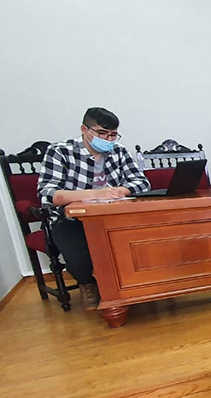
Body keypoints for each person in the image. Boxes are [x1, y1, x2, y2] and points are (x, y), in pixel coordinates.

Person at [37, 107, 151, 310]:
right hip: (72, 220)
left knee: (141, 239)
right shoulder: (60, 151)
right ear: (84, 129)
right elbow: (48, 194)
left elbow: (142, 183)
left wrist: (120, 190)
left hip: (113, 215)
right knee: (79, 249)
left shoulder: (119, 151)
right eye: (102, 133)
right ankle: (87, 284)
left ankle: (134, 284)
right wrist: (94, 194)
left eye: (113, 134)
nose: (108, 139)